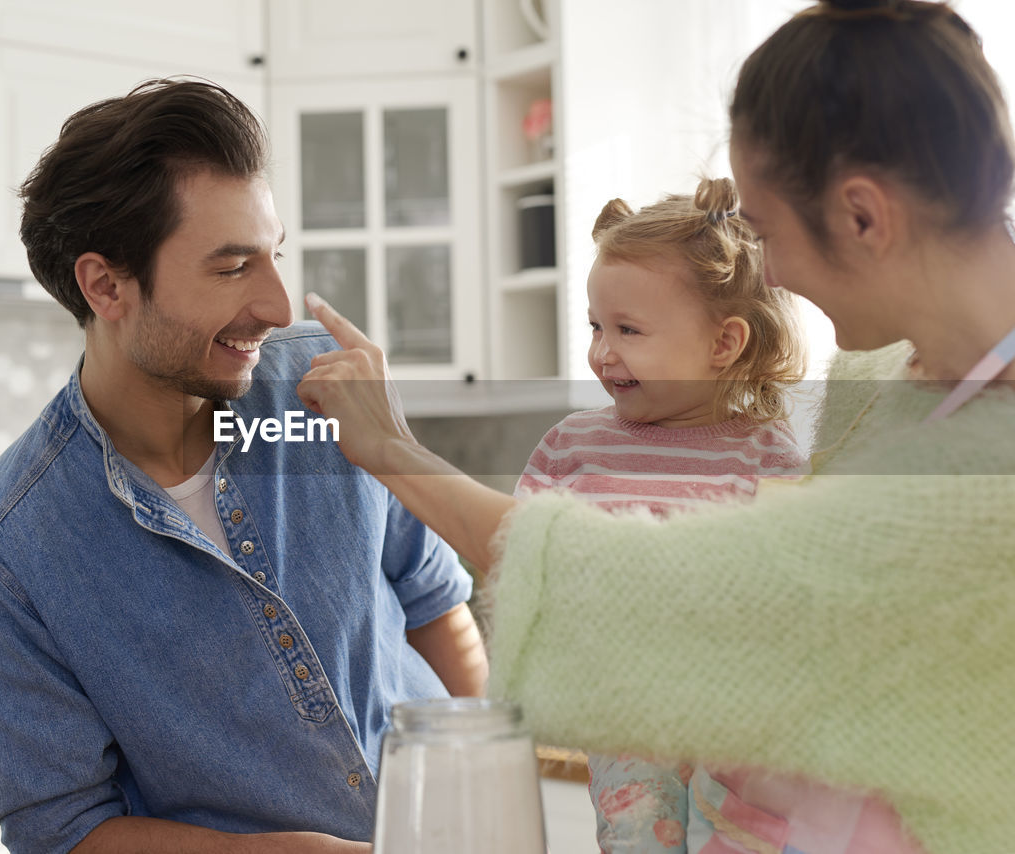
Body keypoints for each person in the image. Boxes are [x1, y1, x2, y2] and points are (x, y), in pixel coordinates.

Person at [296, 1, 1015, 851]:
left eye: (770, 232)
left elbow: (662, 599)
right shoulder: (875, 374)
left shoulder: (976, 482)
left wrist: (389, 448)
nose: (769, 270)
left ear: (863, 215)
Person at [0, 78, 486, 854]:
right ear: (105, 285)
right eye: (233, 267)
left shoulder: (323, 386)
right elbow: (62, 833)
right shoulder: (1, 558)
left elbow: (434, 605)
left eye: (275, 256)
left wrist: (484, 789)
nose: (275, 303)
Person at [515, 177, 808, 852]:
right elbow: (521, 567)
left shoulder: (766, 453)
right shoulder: (570, 445)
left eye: (629, 330)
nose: (603, 351)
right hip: (625, 724)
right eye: (596, 326)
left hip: (740, 728)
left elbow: (794, 594)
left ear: (724, 344)